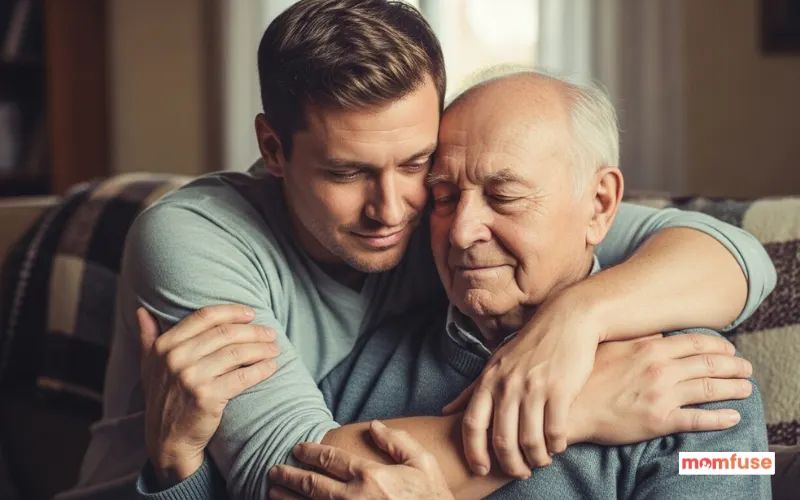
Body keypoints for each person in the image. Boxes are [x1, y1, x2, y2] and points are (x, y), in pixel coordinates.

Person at [55, 1, 775, 499]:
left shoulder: (699, 383)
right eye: (446, 191)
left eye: (417, 171)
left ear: (600, 205)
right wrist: (567, 410)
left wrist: (576, 321)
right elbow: (290, 480)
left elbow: (738, 255)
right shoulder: (351, 360)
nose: (432, 222)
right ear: (272, 149)